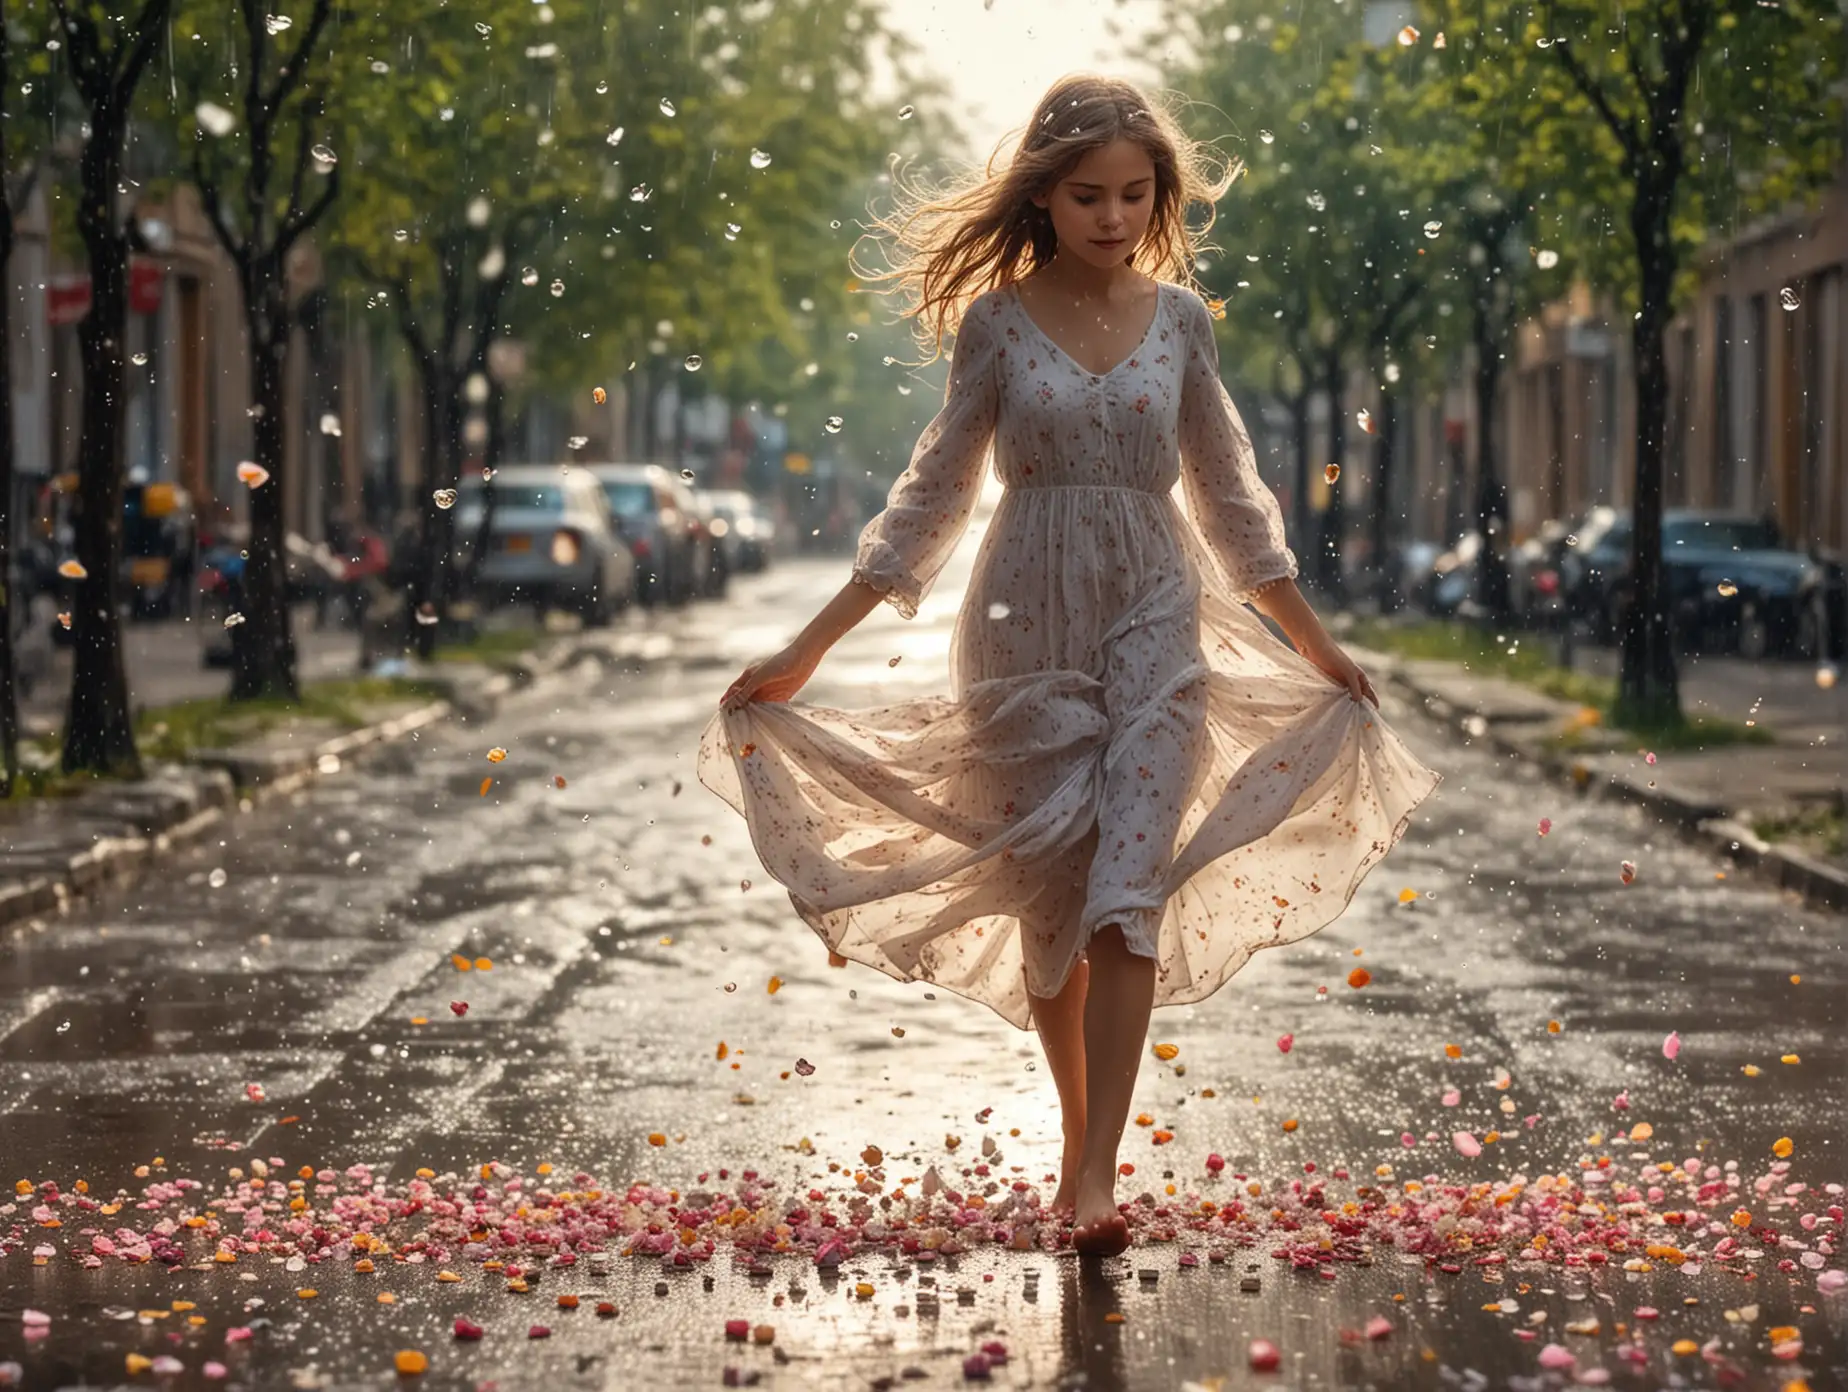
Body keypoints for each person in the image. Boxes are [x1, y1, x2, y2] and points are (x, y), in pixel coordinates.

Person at [699, 75, 1440, 1259]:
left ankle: (1097, 1175)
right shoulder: (997, 324)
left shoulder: (1183, 324)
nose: (1112, 216)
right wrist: (805, 649)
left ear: (1160, 195)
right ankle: (1076, 1131)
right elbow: (933, 496)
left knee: (1124, 895)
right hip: (1021, 620)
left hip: (1156, 609)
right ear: (1043, 196)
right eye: (1087, 194)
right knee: (1053, 905)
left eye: (1134, 195)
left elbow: (1232, 498)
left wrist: (1319, 644)